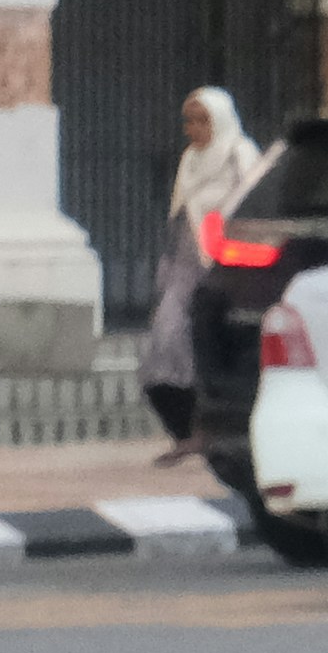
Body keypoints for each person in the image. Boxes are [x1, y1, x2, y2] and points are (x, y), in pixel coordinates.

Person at [143, 85, 266, 456]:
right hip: (187, 265)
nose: (193, 129)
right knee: (166, 341)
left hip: (226, 269)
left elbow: (252, 207)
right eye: (189, 121)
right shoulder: (190, 161)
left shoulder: (240, 156)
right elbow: (181, 216)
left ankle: (215, 432)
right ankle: (184, 432)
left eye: (202, 121)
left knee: (214, 348)